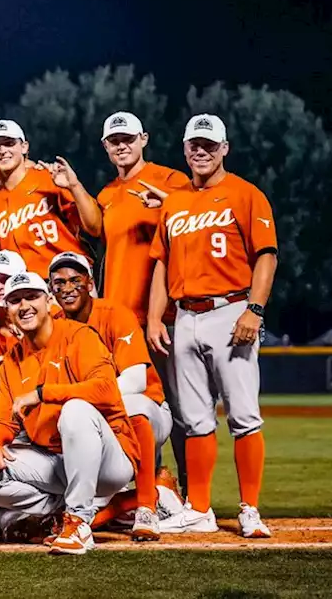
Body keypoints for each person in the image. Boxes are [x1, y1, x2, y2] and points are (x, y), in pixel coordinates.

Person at [148, 114, 275, 539]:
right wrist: (154, 317)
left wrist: (254, 310)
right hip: (185, 315)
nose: (200, 152)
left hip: (230, 311)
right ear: (185, 149)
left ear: (224, 148)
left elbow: (266, 255)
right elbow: (162, 263)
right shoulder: (174, 201)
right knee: (194, 420)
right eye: (194, 145)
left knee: (243, 415)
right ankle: (198, 508)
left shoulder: (245, 193)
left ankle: (250, 509)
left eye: (209, 145)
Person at [0, 272, 139, 555]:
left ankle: (79, 520)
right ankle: (60, 513)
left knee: (75, 410)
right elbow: (2, 419)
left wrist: (44, 393)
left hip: (109, 462)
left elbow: (108, 391)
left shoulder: (78, 335)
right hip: (55, 461)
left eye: (32, 297)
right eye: (15, 300)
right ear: (7, 310)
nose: (24, 306)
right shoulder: (13, 359)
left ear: (48, 300)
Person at [47, 251, 178, 541]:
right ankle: (151, 492)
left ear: (90, 283)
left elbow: (136, 380)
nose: (67, 289)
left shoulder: (114, 314)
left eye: (74, 280)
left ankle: (147, 507)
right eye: (58, 283)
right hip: (97, 415)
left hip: (147, 411)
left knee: (131, 405)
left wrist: (82, 398)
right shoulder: (53, 323)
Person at [93, 111, 191, 491]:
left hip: (162, 317)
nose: (122, 145)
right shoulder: (106, 195)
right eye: (114, 140)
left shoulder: (171, 180)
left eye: (128, 138)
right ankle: (153, 489)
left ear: (144, 139)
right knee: (135, 408)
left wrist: (166, 202)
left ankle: (191, 495)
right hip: (120, 321)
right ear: (105, 146)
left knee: (182, 409)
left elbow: (200, 218)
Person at [0, 120, 99, 276]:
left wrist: (74, 186)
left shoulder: (50, 179)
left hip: (69, 278)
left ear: (24, 147)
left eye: (9, 143)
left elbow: (95, 227)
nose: (2, 150)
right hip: (24, 288)